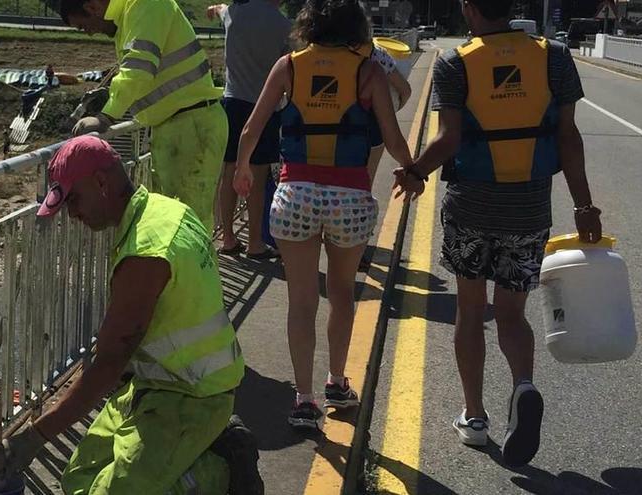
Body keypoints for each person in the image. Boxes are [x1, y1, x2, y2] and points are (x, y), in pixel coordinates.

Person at [0, 136, 262, 494]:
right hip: (157, 382)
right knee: (77, 481)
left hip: (194, 395)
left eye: (74, 200)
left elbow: (107, 364)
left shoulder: (146, 254)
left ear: (101, 183)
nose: (73, 214)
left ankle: (222, 470)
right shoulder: (164, 209)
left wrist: (34, 436)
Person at [394, 0, 602, 467]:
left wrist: (414, 171)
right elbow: (569, 137)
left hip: (471, 204)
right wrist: (584, 206)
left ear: (468, 9)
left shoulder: (455, 62)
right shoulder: (555, 56)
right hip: (529, 207)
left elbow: (448, 139)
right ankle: (523, 387)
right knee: (512, 312)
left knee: (471, 311)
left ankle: (474, 417)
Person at [233, 0, 413, 429]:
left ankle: (304, 399)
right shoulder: (368, 71)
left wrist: (242, 169)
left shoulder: (289, 66)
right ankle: (335, 381)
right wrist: (414, 171)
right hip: (349, 199)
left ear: (307, 25)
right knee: (342, 294)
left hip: (295, 195)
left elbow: (250, 129)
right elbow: (392, 139)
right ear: (356, 27)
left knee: (301, 300)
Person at [61, 0, 227, 234]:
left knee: (190, 222)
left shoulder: (145, 5)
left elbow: (138, 69)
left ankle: (193, 270)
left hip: (190, 125)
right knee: (174, 220)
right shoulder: (130, 15)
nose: (88, 32)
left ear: (91, 7)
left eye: (82, 26)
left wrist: (108, 115)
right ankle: (178, 270)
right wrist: (110, 96)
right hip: (178, 126)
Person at [207, 0, 291, 259]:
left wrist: (215, 8)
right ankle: (255, 242)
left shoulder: (234, 12)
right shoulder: (282, 24)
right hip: (265, 106)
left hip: (233, 101)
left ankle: (228, 237)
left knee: (230, 169)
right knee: (257, 175)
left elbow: (219, 10)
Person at [366, 45, 412, 182]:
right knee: (365, 183)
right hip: (369, 127)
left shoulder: (303, 58)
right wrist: (411, 169)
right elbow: (405, 90)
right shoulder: (374, 54)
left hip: (316, 126)